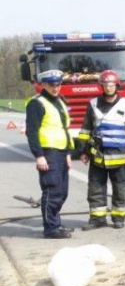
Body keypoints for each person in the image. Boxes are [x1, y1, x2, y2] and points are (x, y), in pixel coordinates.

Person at [77, 70, 125, 230]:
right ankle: (97, 219)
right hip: (97, 156)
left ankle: (119, 218)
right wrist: (83, 152)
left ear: (116, 85)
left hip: (119, 157)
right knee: (95, 189)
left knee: (120, 189)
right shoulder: (92, 104)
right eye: (105, 84)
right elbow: (85, 129)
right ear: (102, 86)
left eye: (111, 84)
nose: (108, 87)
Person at [25, 70, 74, 239]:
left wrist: (68, 153)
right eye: (51, 85)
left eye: (58, 84)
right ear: (43, 85)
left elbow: (63, 129)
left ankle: (55, 222)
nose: (55, 87)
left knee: (62, 192)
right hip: (48, 152)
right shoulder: (37, 103)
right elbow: (32, 132)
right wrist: (39, 155)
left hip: (61, 152)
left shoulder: (59, 101)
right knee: (52, 191)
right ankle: (51, 228)